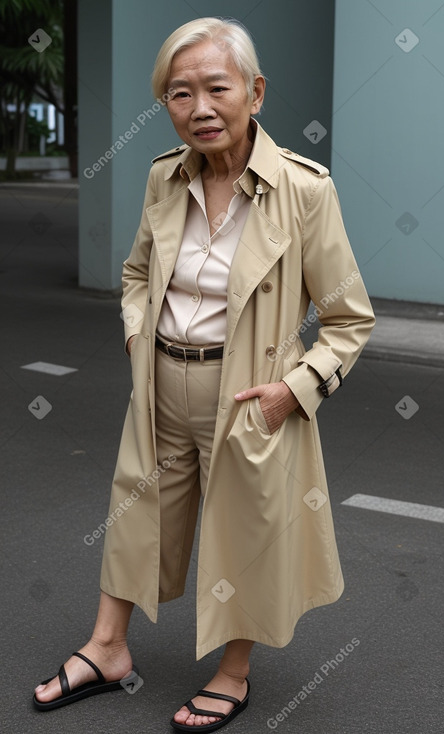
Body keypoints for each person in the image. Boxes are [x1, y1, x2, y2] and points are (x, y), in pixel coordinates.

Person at [33, 16, 375, 732]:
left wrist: (293, 391)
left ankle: (232, 670)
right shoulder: (165, 177)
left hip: (249, 395)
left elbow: (347, 320)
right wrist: (135, 334)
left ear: (254, 93)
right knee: (135, 513)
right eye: (179, 94)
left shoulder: (304, 192)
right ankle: (108, 647)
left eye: (216, 88)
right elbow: (134, 275)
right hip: (161, 384)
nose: (199, 108)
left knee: (244, 528)